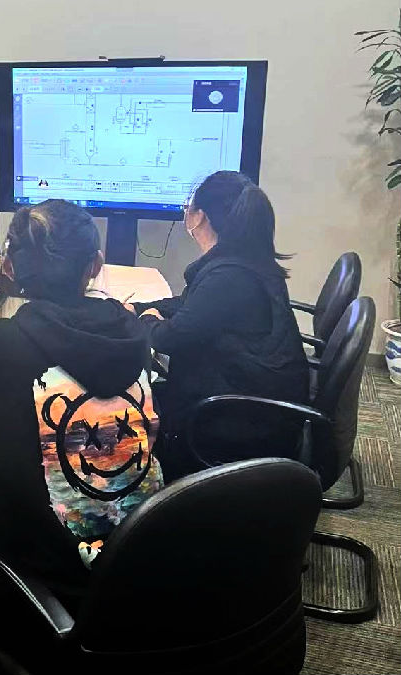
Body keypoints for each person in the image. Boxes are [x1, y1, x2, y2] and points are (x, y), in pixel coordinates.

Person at [0, 199, 162, 608]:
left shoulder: (5, 343)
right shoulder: (132, 330)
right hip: (137, 555)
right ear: (95, 265)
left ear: (9, 268)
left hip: (50, 577)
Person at [129, 171, 309, 480]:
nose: (185, 211)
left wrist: (147, 320)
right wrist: (141, 308)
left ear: (200, 216)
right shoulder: (245, 261)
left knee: (133, 402)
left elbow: (171, 338)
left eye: (188, 205)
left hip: (241, 421)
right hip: (256, 398)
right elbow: (190, 306)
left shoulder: (228, 278)